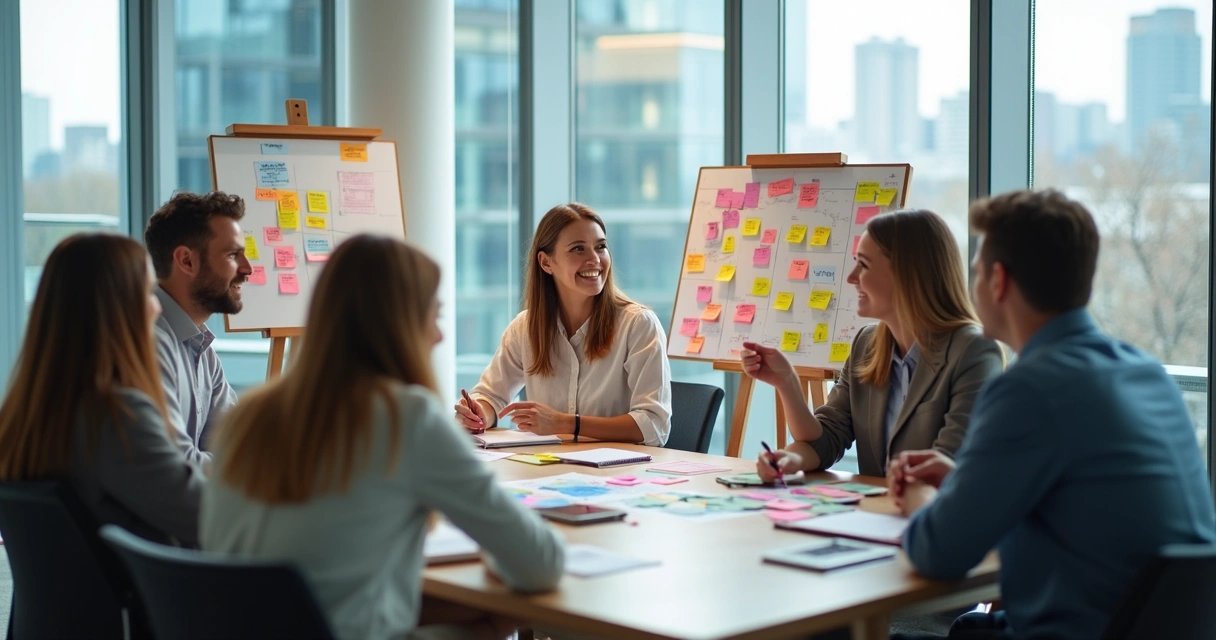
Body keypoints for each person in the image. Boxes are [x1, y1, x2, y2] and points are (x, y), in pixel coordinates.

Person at [201, 235, 564, 640]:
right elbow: (540, 564)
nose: (439, 337)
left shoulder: (248, 416)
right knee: (498, 620)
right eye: (433, 316)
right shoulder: (406, 417)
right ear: (399, 323)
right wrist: (499, 556)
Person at [892, 189, 1216, 640]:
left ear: (999, 281)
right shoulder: (1145, 374)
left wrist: (917, 496)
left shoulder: (1029, 390)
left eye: (976, 272)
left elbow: (936, 553)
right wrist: (964, 480)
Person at [743, 209, 1003, 478]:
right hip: (878, 514)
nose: (852, 277)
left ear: (906, 273)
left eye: (864, 265)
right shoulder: (866, 344)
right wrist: (789, 450)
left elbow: (946, 467)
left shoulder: (974, 352)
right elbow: (827, 438)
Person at [0, 234, 203, 546]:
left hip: (60, 595)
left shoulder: (25, 411)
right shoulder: (117, 415)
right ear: (118, 308)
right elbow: (205, 517)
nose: (157, 308)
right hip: (140, 594)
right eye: (149, 293)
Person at [455, 202, 672, 446]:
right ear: (546, 263)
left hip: (622, 476)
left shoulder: (638, 325)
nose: (594, 259)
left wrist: (566, 423)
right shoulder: (525, 328)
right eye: (578, 249)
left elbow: (653, 425)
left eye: (600, 247)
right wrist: (478, 414)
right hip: (551, 471)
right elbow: (491, 396)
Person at [144, 191, 252, 464]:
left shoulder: (202, 349)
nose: (247, 269)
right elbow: (175, 468)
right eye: (233, 255)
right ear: (187, 261)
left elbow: (240, 448)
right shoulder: (148, 344)